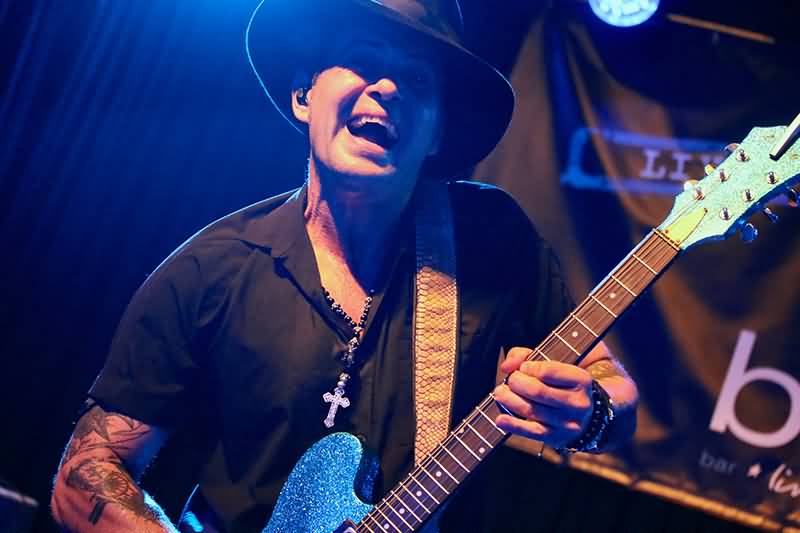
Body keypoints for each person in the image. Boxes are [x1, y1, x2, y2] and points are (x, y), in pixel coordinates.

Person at [51, 1, 639, 532]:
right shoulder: (212, 270)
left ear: (437, 133)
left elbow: (613, 389)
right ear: (303, 96)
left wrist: (591, 414)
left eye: (416, 78)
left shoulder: (491, 236)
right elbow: (86, 472)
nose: (387, 87)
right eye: (362, 60)